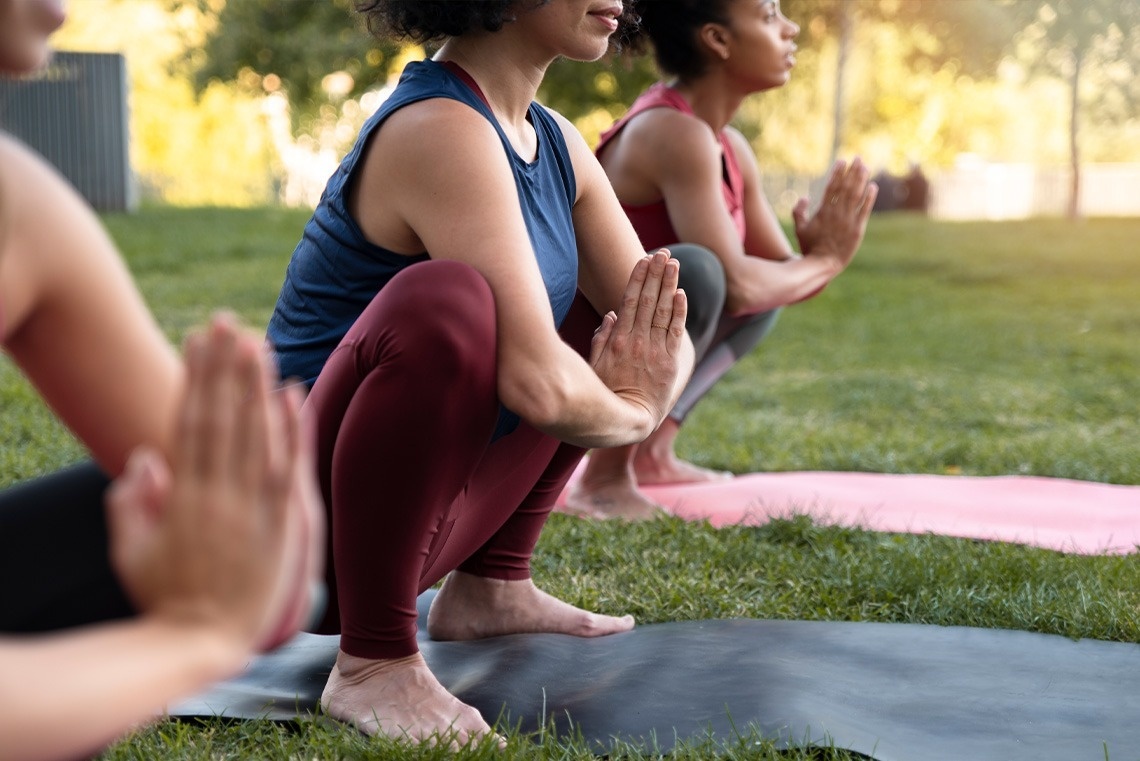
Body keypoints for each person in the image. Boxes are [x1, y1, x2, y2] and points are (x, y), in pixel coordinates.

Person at [264, 0, 701, 747]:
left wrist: (644, 384)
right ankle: (373, 662)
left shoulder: (557, 142)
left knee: (607, 310)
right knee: (448, 302)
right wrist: (635, 409)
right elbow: (537, 382)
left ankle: (492, 584)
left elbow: (659, 330)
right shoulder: (437, 128)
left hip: (410, 533)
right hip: (286, 543)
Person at [0, 2, 324, 759]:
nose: (61, 9)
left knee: (127, 511)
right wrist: (193, 637)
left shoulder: (20, 202)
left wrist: (260, 538)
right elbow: (232, 613)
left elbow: (265, 569)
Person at [564, 0, 878, 520]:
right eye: (770, 14)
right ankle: (602, 479)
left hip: (634, 331)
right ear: (719, 40)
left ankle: (654, 454)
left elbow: (779, 282)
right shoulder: (673, 131)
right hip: (581, 337)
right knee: (698, 275)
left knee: (747, 292)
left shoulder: (727, 144)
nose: (790, 28)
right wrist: (824, 261)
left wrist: (817, 259)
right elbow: (737, 284)